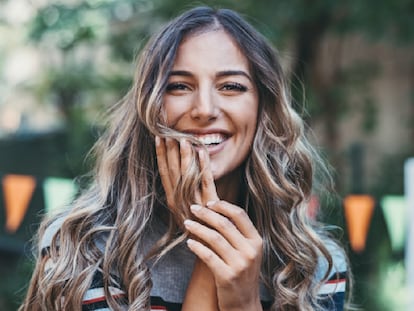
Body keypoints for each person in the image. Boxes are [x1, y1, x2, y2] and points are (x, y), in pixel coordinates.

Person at [20, 6, 349, 311]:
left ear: (264, 107)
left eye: (231, 86)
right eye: (179, 86)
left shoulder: (317, 266)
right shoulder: (84, 250)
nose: (204, 109)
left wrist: (243, 302)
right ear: (150, 106)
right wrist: (208, 248)